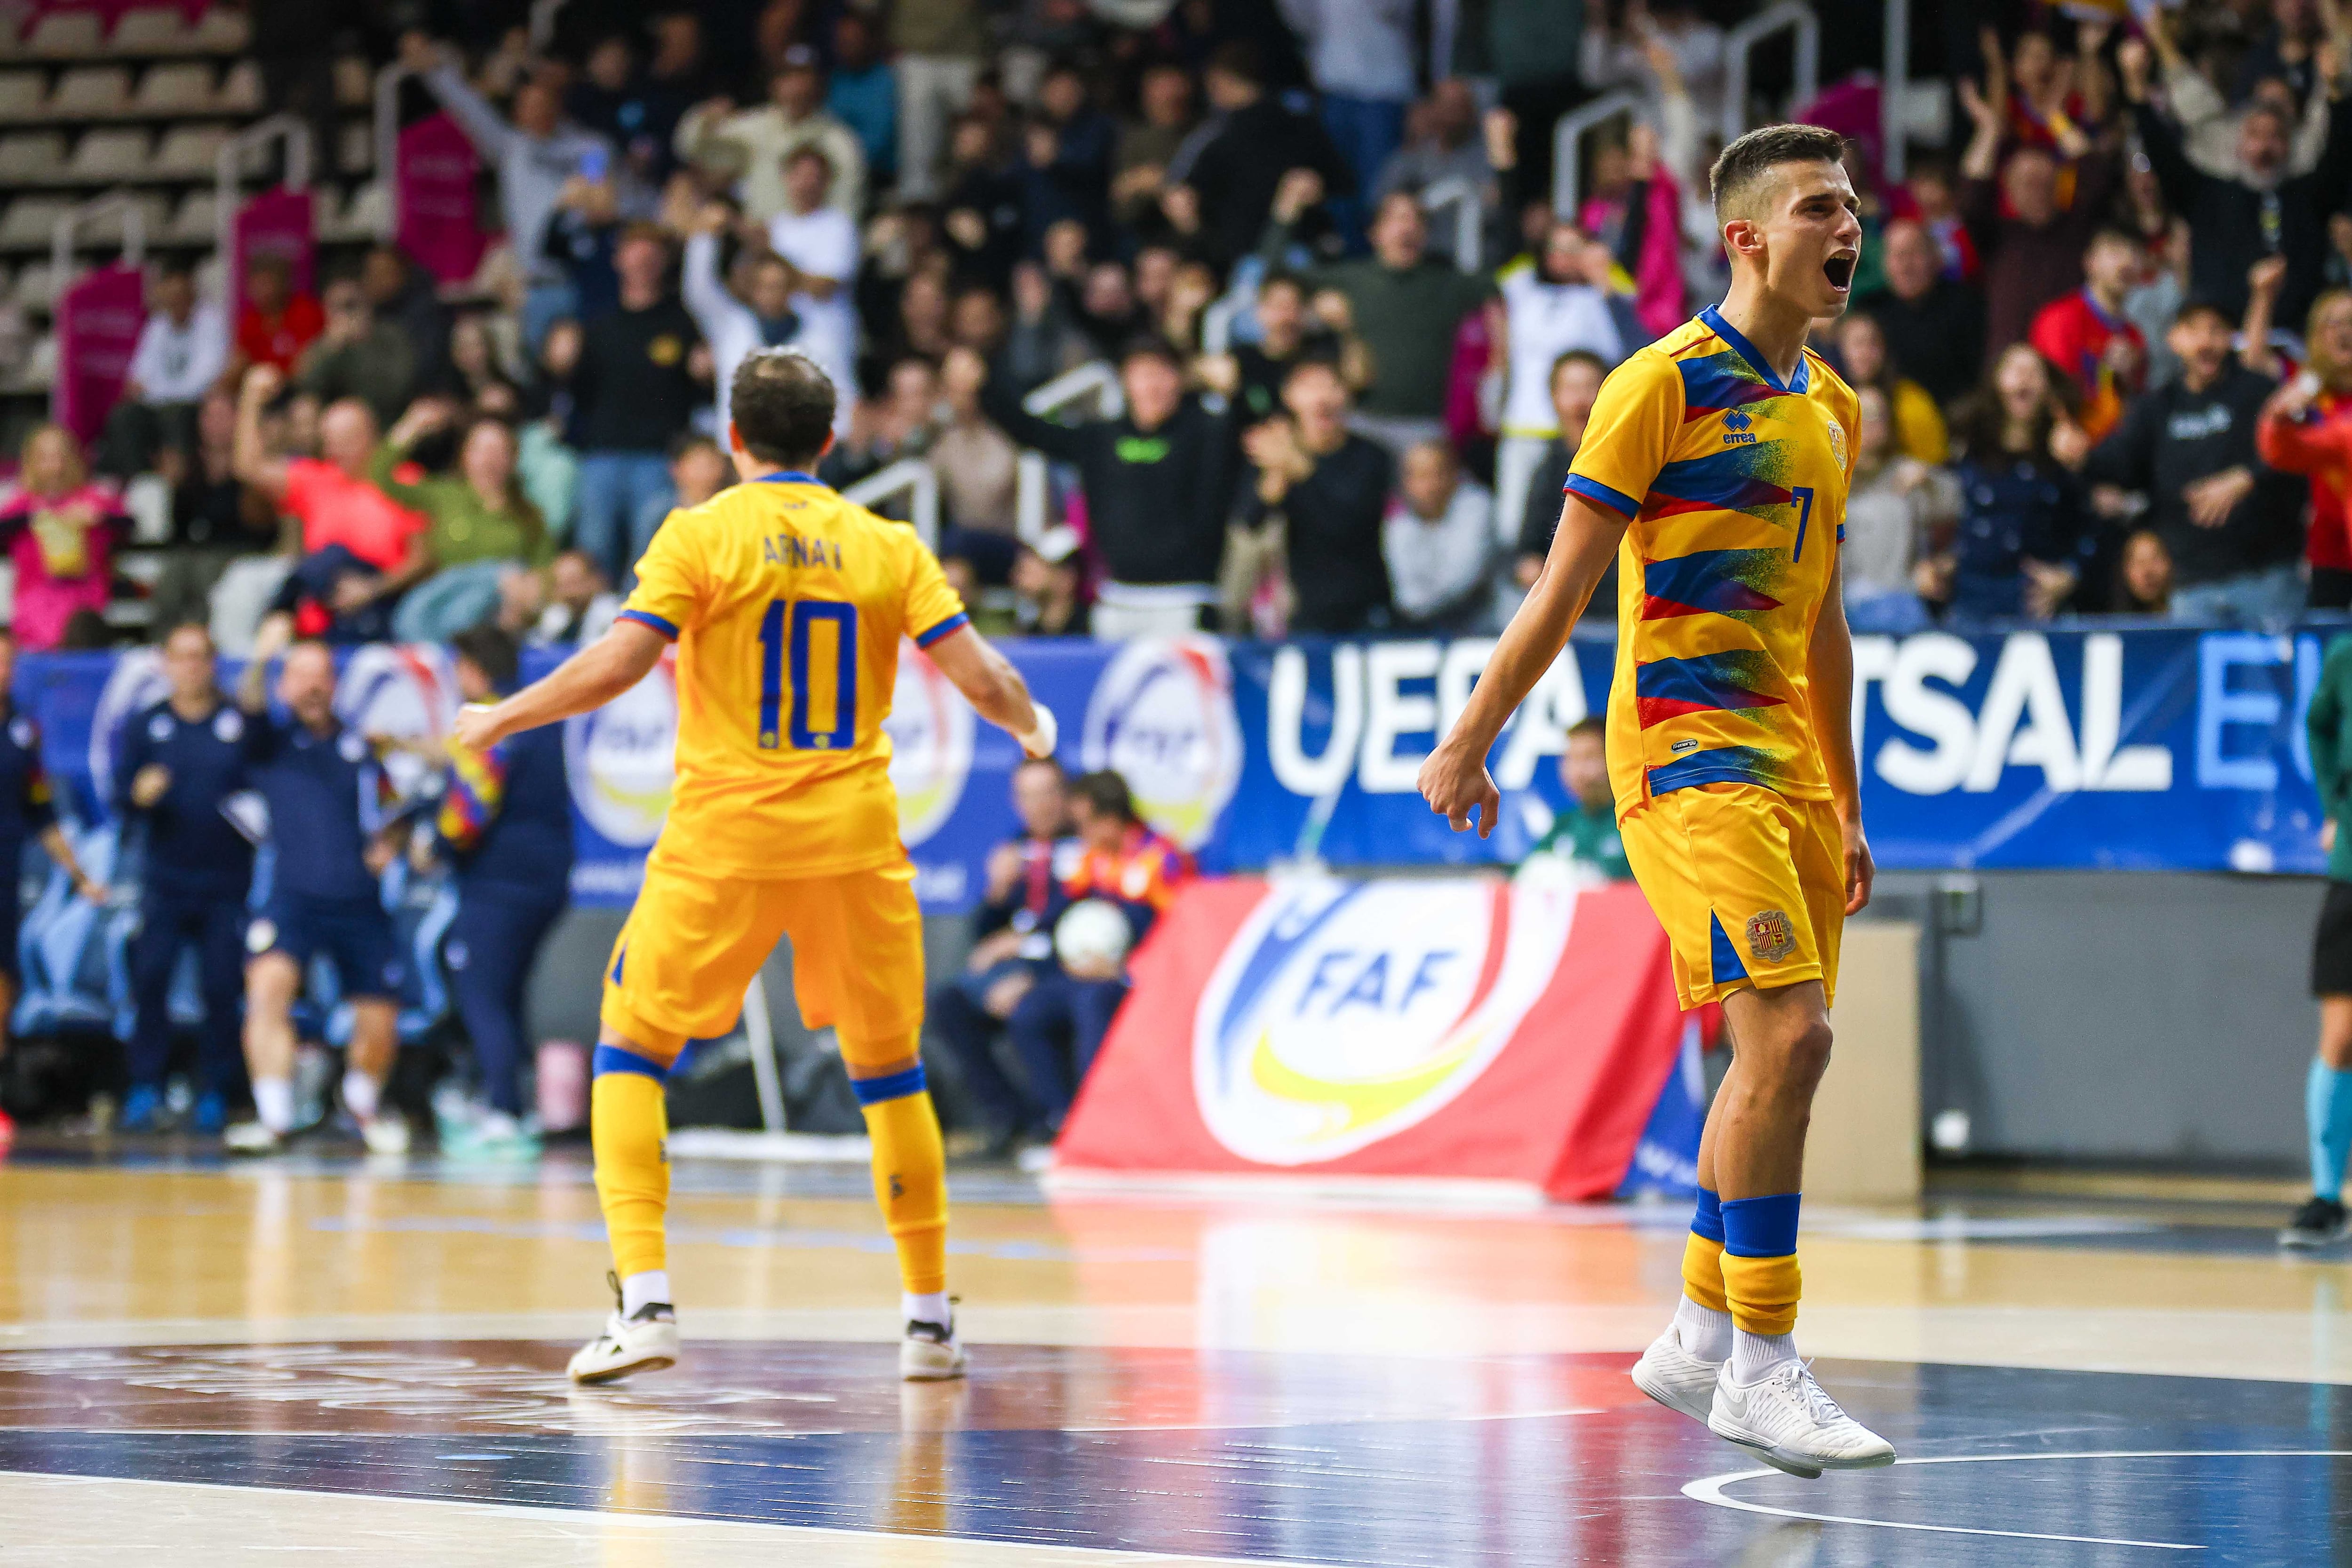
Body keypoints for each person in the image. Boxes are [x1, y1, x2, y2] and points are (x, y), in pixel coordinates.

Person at [1417, 122, 1896, 1474]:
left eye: (1850, 207)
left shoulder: (1834, 405)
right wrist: (1473, 737)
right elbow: (1562, 589)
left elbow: (1827, 623)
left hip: (1795, 766)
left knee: (1781, 1056)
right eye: (1818, 208)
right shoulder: (1657, 385)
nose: (1845, 229)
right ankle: (1763, 1361)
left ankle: (1694, 1331)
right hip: (1686, 753)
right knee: (1787, 1041)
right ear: (1747, 239)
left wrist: (1849, 799)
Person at [449, 347, 1058, 1385]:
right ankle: (926, 1324)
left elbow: (621, 659)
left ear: (734, 439)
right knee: (891, 1073)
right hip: (853, 838)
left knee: (629, 1051)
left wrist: (504, 713)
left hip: (725, 834)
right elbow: (981, 674)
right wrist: (1034, 725)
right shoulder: (886, 541)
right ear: (830, 441)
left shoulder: (701, 533)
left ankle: (645, 1303)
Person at [224, 622, 410, 1157]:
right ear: (284, 685)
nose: (311, 686)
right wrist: (262, 657)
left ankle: (363, 1103)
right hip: (293, 897)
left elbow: (402, 802)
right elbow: (250, 705)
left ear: (335, 684)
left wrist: (391, 840)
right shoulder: (269, 743)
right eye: (299, 675)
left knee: (379, 1016)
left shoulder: (362, 745)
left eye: (321, 675)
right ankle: (275, 1117)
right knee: (267, 989)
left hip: (357, 899)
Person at [968, 337, 1237, 638]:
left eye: (1162, 374)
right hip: (1116, 603)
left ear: (1180, 380)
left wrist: (1234, 390)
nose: (1152, 387)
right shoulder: (1101, 439)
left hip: (1188, 602)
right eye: (1141, 375)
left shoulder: (1209, 433)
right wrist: (984, 385)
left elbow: (1253, 436)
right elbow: (1032, 432)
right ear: (1125, 382)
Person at [429, 626, 570, 1156]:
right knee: (509, 995)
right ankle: (520, 1103)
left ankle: (505, 1110)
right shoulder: (538, 718)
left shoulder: (487, 721)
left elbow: (468, 812)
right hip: (549, 879)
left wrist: (433, 845)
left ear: (471, 668)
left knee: (482, 994)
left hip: (498, 883)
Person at [2084, 299, 2305, 626]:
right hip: (2190, 583)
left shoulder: (2259, 392)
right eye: (2193, 330)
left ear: (2231, 337)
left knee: (2278, 678)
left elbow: (2301, 453)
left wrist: (2247, 477)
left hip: (2267, 575)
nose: (2205, 341)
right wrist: (2080, 454)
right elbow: (2119, 465)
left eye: (2216, 330)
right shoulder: (2156, 408)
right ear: (2173, 339)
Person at [2119, 34, 2352, 336]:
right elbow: (2162, 155)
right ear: (2240, 144)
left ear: (2290, 146)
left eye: (2276, 136)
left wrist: (2336, 92)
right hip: (2221, 345)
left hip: (2300, 342)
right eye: (2255, 135)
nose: (2265, 147)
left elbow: (2341, 157)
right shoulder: (2206, 193)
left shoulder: (2308, 195)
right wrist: (2138, 93)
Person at [115, 623, 252, 1136]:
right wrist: (138, 794)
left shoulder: (236, 722)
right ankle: (144, 1085)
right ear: (166, 664)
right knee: (150, 983)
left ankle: (216, 1089)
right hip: (166, 881)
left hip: (225, 883)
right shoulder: (147, 725)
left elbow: (263, 787)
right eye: (182, 657)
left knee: (221, 988)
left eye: (201, 657)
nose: (192, 667)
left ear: (213, 663)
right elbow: (120, 797)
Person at [406, 32, 616, 353]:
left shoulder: (587, 148)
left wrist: (585, 190)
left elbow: (597, 188)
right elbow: (471, 111)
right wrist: (436, 73)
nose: (535, 112)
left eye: (543, 104)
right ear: (518, 112)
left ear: (556, 106)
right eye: (527, 106)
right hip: (536, 287)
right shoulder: (511, 151)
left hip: (584, 279)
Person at [1003, 769, 1185, 1137]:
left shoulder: (1161, 859)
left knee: (1093, 1004)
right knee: (1031, 1010)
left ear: (1111, 820)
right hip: (1090, 975)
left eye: (1085, 824)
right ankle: (1064, 1121)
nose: (1080, 834)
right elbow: (1060, 915)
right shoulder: (1093, 858)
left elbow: (1179, 931)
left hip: (1141, 978)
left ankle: (1104, 1124)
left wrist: (1124, 966)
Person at [544, 224, 707, 587]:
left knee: (651, 556)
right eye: (635, 253)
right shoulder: (598, 324)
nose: (643, 263)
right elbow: (573, 388)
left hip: (658, 455)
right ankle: (592, 630)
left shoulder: (681, 322)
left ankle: (642, 635)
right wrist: (561, 365)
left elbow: (700, 394)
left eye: (651, 255)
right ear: (619, 261)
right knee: (593, 552)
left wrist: (704, 374)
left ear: (663, 263)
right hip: (601, 454)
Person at [930, 756, 1075, 1157]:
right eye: (1028, 796)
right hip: (1017, 967)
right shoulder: (1016, 850)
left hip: (1060, 968)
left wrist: (1030, 964)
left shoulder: (1085, 848)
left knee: (1030, 1007)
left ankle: (1056, 1121)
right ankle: (1008, 1117)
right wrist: (996, 892)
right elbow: (984, 935)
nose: (1039, 805)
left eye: (1048, 793)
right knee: (950, 1003)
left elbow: (1082, 923)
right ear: (1016, 801)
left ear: (1066, 796)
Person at [232, 365, 430, 643]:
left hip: (382, 602)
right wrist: (251, 398)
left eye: (345, 442)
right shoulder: (316, 478)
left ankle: (283, 610)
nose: (335, 452)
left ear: (370, 438)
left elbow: (423, 558)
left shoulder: (403, 481)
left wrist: (371, 588)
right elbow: (248, 467)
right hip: (321, 609)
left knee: (328, 563)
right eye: (330, 442)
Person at [0, 628, 105, 1146]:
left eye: (6, 663)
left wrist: (80, 876)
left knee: (3, 988)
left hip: (4, 874)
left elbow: (41, 810)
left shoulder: (23, 731)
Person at [1296, 187, 1495, 448]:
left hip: (1428, 429)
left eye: (1416, 220)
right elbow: (1277, 282)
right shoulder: (1350, 279)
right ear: (1374, 232)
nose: (1407, 227)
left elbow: (1502, 290)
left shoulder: (1448, 283)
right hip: (1362, 422)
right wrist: (1286, 215)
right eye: (1395, 219)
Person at [1494, 221, 1641, 550]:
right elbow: (1507, 264)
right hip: (1526, 429)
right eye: (1557, 249)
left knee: (1583, 531)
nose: (1566, 257)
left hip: (1586, 433)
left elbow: (1637, 334)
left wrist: (1602, 271)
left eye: (1575, 249)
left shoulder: (1604, 294)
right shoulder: (1524, 290)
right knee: (1514, 531)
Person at [1956, 73, 2121, 365]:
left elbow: (2096, 172)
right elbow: (1971, 193)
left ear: (2058, 186)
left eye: (2044, 182)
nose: (2036, 190)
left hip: (2069, 370)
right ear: (2010, 190)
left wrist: (2055, 118)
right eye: (2027, 183)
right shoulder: (1998, 236)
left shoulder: (2077, 227)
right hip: (2009, 374)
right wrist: (1991, 129)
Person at [1935, 344, 2096, 621]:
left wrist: (2071, 574)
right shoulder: (1968, 447)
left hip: (2035, 596)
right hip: (1971, 594)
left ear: (2048, 389)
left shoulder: (2065, 454)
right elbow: (1950, 516)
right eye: (2013, 369)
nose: (2024, 377)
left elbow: (2092, 523)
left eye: (2034, 371)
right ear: (1996, 382)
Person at [372, 403, 554, 643]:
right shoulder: (445, 495)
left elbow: (544, 569)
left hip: (501, 609)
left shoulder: (529, 514)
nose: (489, 459)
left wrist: (529, 598)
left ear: (513, 459)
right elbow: (380, 478)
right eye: (480, 449)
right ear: (465, 456)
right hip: (449, 597)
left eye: (498, 450)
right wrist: (411, 427)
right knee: (410, 619)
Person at [1240, 359, 1396, 634]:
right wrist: (1277, 474)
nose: (1321, 398)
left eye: (1331, 386)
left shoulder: (1372, 457)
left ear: (1347, 395)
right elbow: (1249, 520)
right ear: (1289, 397)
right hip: (1307, 610)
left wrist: (1298, 467)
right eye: (1310, 387)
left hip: (1367, 608)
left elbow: (1347, 524)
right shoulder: (1279, 455)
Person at [2293, 630, 2352, 1247]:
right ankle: (2327, 1196)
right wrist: (2334, 803)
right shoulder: (2346, 658)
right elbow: (2320, 725)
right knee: (2340, 1033)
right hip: (2351, 874)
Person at [675, 48, 867, 224]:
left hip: (815, 247)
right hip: (762, 244)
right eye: (787, 76)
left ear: (819, 84)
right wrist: (706, 119)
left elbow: (847, 208)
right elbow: (693, 149)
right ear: (774, 83)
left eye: (803, 76)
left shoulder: (840, 140)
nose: (796, 85)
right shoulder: (755, 127)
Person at [2257, 288, 2352, 609]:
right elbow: (2254, 362)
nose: (2345, 331)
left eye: (2351, 321)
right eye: (2333, 323)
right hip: (2328, 545)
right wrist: (2281, 414)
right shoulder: (2305, 388)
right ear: (2316, 335)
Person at [0, 425, 128, 650]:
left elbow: (127, 523)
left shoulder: (91, 498)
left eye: (60, 457)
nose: (55, 466)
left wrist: (98, 518)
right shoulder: (24, 502)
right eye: (45, 458)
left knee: (79, 633)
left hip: (85, 592)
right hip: (35, 595)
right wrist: (34, 518)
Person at [681, 203, 802, 438]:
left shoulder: (814, 332)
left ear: (792, 289)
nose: (771, 293)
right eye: (764, 286)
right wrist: (706, 237)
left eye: (779, 286)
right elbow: (698, 289)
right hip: (737, 450)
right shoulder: (731, 324)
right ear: (753, 289)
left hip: (792, 454)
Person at [102, 265, 227, 478]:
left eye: (180, 295)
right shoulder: (157, 326)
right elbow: (138, 377)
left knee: (176, 416)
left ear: (192, 294)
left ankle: (179, 486)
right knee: (123, 416)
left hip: (191, 403)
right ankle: (139, 484)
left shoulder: (210, 322)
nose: (175, 302)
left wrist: (164, 394)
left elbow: (210, 377)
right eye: (171, 297)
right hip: (156, 403)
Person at [2028, 229, 2150, 443]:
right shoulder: (2060, 319)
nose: (2126, 262)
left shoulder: (2135, 336)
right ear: (2090, 262)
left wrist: (2126, 380)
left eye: (2135, 253)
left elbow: (2135, 412)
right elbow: (2054, 399)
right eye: (2115, 251)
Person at [765, 147, 863, 406]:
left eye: (814, 176)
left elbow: (824, 286)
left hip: (828, 336)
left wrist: (772, 259)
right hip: (780, 336)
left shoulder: (838, 225)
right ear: (786, 178)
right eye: (799, 175)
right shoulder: (776, 227)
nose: (806, 184)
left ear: (827, 182)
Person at [1855, 219, 1985, 407]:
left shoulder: (1966, 305)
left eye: (1914, 254)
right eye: (1898, 256)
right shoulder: (1870, 311)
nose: (1906, 267)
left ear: (1935, 258)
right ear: (1885, 263)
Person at [1384, 438, 1495, 633]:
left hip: (1484, 624)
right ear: (1406, 482)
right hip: (1420, 626)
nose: (1430, 486)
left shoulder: (1477, 507)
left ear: (1455, 475)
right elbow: (1406, 595)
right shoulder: (1398, 521)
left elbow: (1462, 580)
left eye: (1437, 474)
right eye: (1420, 476)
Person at [294, 275, 419, 430]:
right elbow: (306, 386)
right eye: (337, 307)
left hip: (385, 420)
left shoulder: (391, 337)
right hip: (337, 424)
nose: (345, 313)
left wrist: (364, 343)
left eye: (351, 305)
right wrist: (331, 348)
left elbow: (398, 389)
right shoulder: (326, 343)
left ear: (367, 304)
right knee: (304, 408)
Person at [1525, 718, 1631, 880]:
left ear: (1614, 759)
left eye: (1588, 758)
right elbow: (1525, 876)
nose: (1577, 771)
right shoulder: (1563, 823)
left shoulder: (1634, 821)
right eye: (1570, 758)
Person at [232, 254, 323, 378]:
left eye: (267, 283)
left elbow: (311, 364)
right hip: (263, 386)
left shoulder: (307, 312)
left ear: (284, 283)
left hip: (300, 387)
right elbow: (240, 362)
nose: (262, 291)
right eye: (257, 284)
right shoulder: (250, 320)